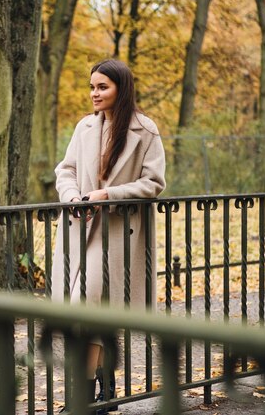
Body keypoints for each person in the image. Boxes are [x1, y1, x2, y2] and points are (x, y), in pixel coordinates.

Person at [51, 59, 166, 413]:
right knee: (87, 311)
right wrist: (72, 197)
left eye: (102, 87)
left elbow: (154, 183)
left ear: (122, 88)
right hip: (80, 228)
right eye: (92, 87)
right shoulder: (85, 126)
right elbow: (66, 170)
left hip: (117, 232)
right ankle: (106, 390)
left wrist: (108, 195)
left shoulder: (145, 130)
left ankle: (84, 398)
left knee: (88, 307)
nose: (94, 94)